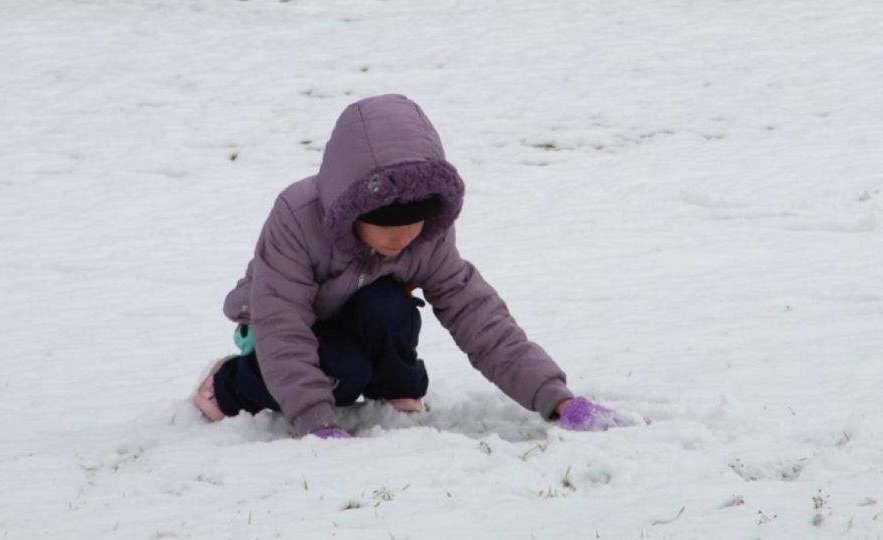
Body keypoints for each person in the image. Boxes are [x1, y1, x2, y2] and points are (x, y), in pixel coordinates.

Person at [193, 94, 633, 438]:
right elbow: (282, 322)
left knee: (390, 306)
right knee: (342, 375)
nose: (402, 237)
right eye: (386, 225)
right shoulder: (296, 217)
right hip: (282, 330)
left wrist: (556, 398)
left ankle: (389, 385)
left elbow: (480, 319)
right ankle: (230, 382)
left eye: (414, 222)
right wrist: (316, 421)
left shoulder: (427, 236)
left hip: (358, 318)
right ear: (350, 211)